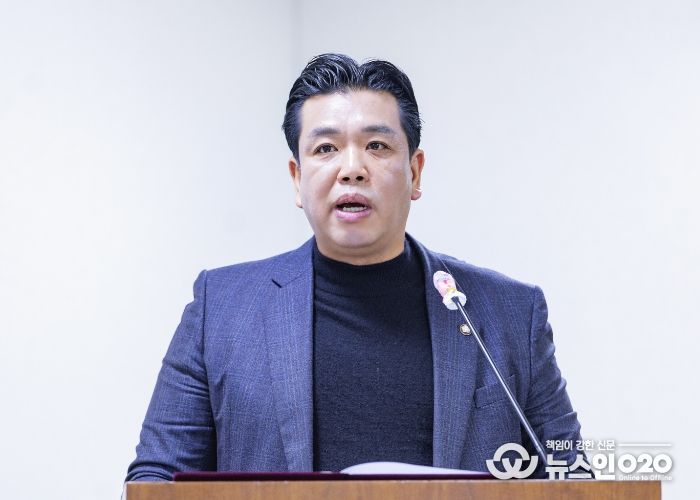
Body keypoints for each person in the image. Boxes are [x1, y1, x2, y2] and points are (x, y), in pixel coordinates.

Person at [125, 53, 584, 481]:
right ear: (297, 179)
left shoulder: (509, 313)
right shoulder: (222, 310)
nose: (352, 169)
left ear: (415, 172)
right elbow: (156, 480)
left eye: (377, 145)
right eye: (326, 148)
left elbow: (572, 476)